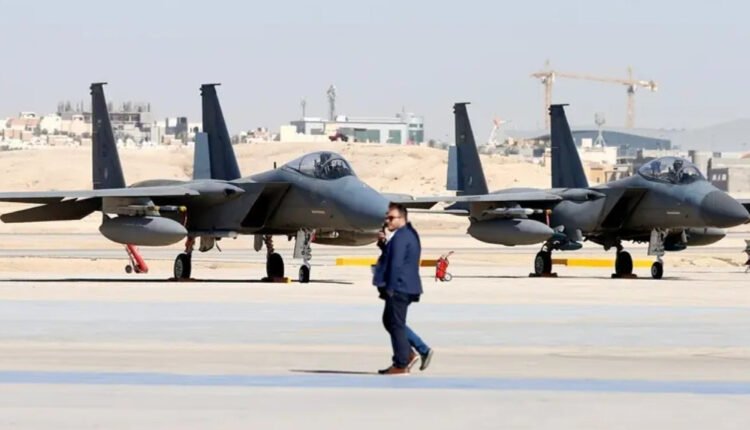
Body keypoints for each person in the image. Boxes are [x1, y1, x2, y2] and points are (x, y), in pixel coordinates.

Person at [373, 203, 433, 375]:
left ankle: (402, 363)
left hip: (400, 286)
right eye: (387, 218)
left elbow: (396, 264)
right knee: (390, 321)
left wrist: (390, 289)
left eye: (391, 218)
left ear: (402, 218)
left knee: (395, 324)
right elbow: (395, 257)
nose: (388, 221)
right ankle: (413, 352)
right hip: (404, 285)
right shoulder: (406, 234)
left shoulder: (401, 237)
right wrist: (384, 245)